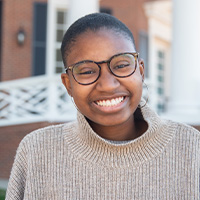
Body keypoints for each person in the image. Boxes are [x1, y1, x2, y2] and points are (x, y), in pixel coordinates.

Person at [6, 13, 200, 199]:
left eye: (121, 65)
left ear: (140, 71)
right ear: (68, 85)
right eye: (87, 71)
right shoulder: (37, 152)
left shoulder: (191, 148)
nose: (107, 85)